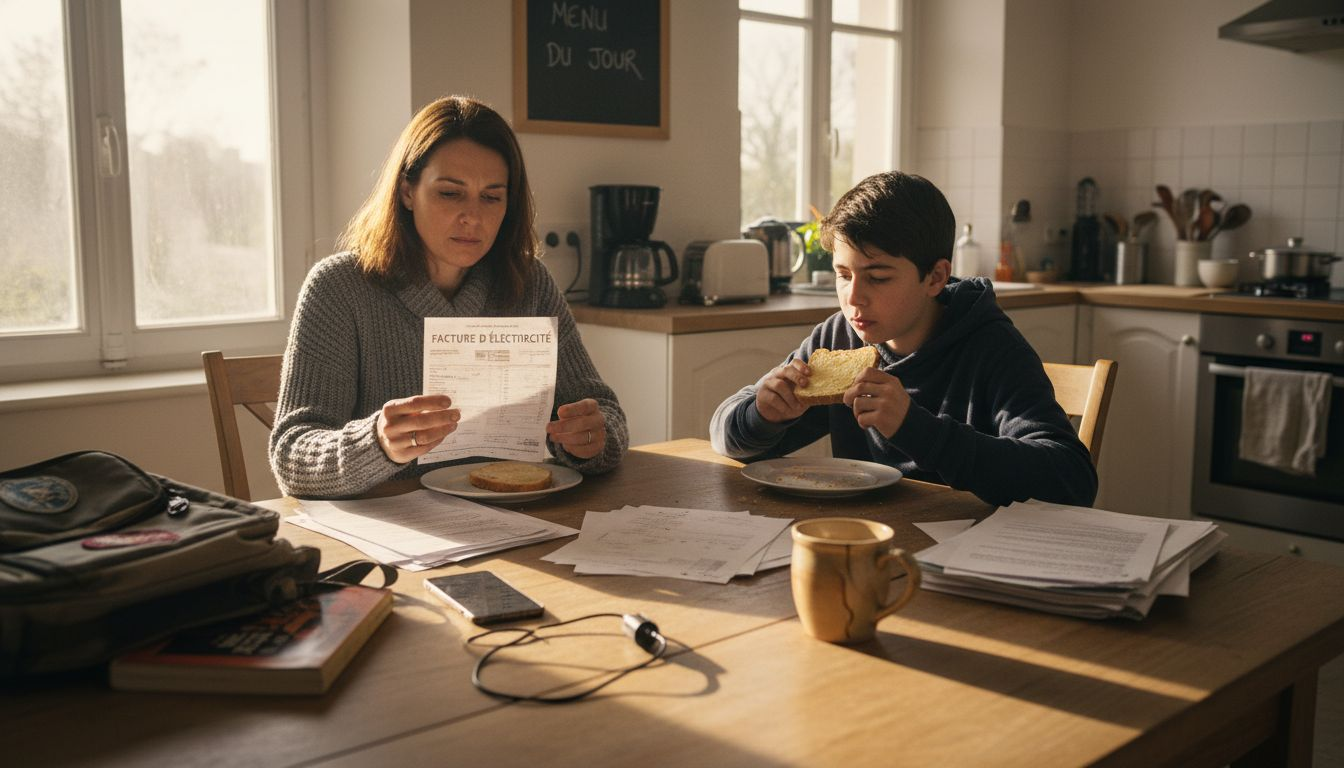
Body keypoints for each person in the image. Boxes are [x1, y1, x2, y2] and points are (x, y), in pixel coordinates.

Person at [270, 96, 628, 498]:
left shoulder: (529, 283)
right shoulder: (340, 288)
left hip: (518, 523)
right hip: (394, 534)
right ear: (407, 191)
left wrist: (592, 440)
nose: (472, 217)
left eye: (491, 197)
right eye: (450, 194)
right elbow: (291, 457)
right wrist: (377, 442)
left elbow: (606, 414)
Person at [710, 171, 1096, 507]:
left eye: (878, 278)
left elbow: (1072, 481)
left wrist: (919, 430)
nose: (854, 297)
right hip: (869, 542)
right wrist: (762, 415)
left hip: (968, 558)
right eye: (844, 275)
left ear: (935, 277)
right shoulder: (842, 338)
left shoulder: (991, 347)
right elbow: (724, 435)